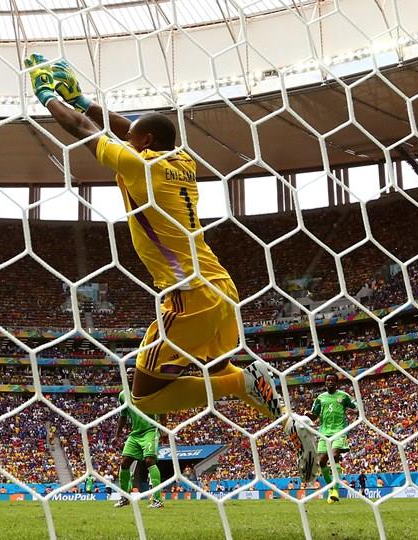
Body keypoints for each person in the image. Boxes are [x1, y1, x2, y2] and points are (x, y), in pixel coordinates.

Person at [25, 54, 317, 481]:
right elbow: (129, 128)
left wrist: (48, 96)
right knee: (216, 370)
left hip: (189, 295)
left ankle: (246, 383)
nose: (126, 140)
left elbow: (84, 131)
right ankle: (291, 422)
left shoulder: (140, 166)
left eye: (133, 138)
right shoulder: (181, 162)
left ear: (143, 144)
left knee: (144, 399)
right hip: (220, 286)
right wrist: (83, 100)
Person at [112, 368, 163, 509]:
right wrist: (117, 435)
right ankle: (125, 497)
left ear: (138, 376)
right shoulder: (123, 395)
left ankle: (157, 500)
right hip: (135, 433)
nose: (129, 375)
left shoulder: (146, 391)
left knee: (149, 461)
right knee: (124, 462)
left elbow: (161, 407)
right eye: (127, 373)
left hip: (150, 430)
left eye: (132, 373)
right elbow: (123, 416)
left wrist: (163, 427)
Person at [308, 373, 357, 504]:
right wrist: (308, 415)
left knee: (334, 455)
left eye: (332, 380)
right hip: (324, 433)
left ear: (337, 383)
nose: (330, 382)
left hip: (339, 431)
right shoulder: (320, 398)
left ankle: (335, 489)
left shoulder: (344, 396)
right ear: (325, 383)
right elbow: (314, 416)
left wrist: (356, 412)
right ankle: (331, 489)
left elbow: (356, 407)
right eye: (328, 380)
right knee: (322, 461)